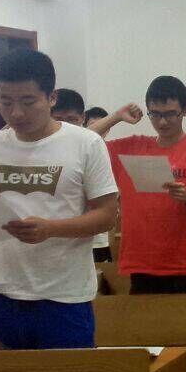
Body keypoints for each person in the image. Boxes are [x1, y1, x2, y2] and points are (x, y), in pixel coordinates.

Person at [0, 49, 118, 348]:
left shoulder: (86, 144)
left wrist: (51, 229)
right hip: (0, 294)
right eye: (5, 101)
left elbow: (107, 215)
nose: (16, 113)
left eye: (28, 101)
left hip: (64, 298)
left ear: (51, 98)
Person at [89, 76, 186, 293]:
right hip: (143, 264)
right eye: (155, 114)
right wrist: (116, 116)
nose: (162, 122)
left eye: (170, 114)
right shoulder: (133, 147)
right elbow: (83, 140)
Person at [83, 106, 113, 263]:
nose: (100, 129)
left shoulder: (112, 150)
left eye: (104, 125)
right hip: (77, 234)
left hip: (101, 236)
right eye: (93, 125)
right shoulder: (79, 151)